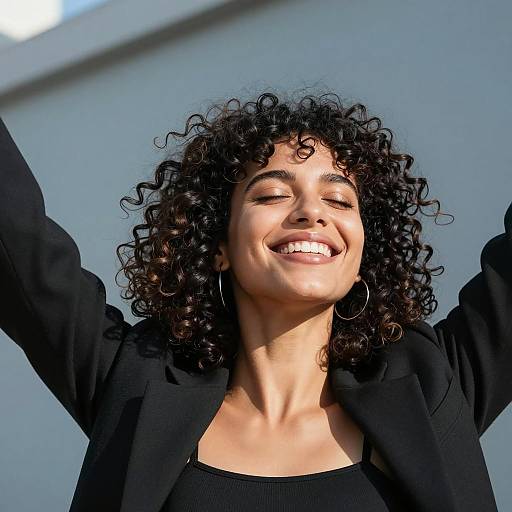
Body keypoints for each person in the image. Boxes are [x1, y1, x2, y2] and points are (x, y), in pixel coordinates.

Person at [0, 91, 510, 512]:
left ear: (360, 253)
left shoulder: (432, 386)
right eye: (271, 195)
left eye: (339, 200)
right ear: (217, 246)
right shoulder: (135, 384)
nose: (312, 212)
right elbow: (16, 241)